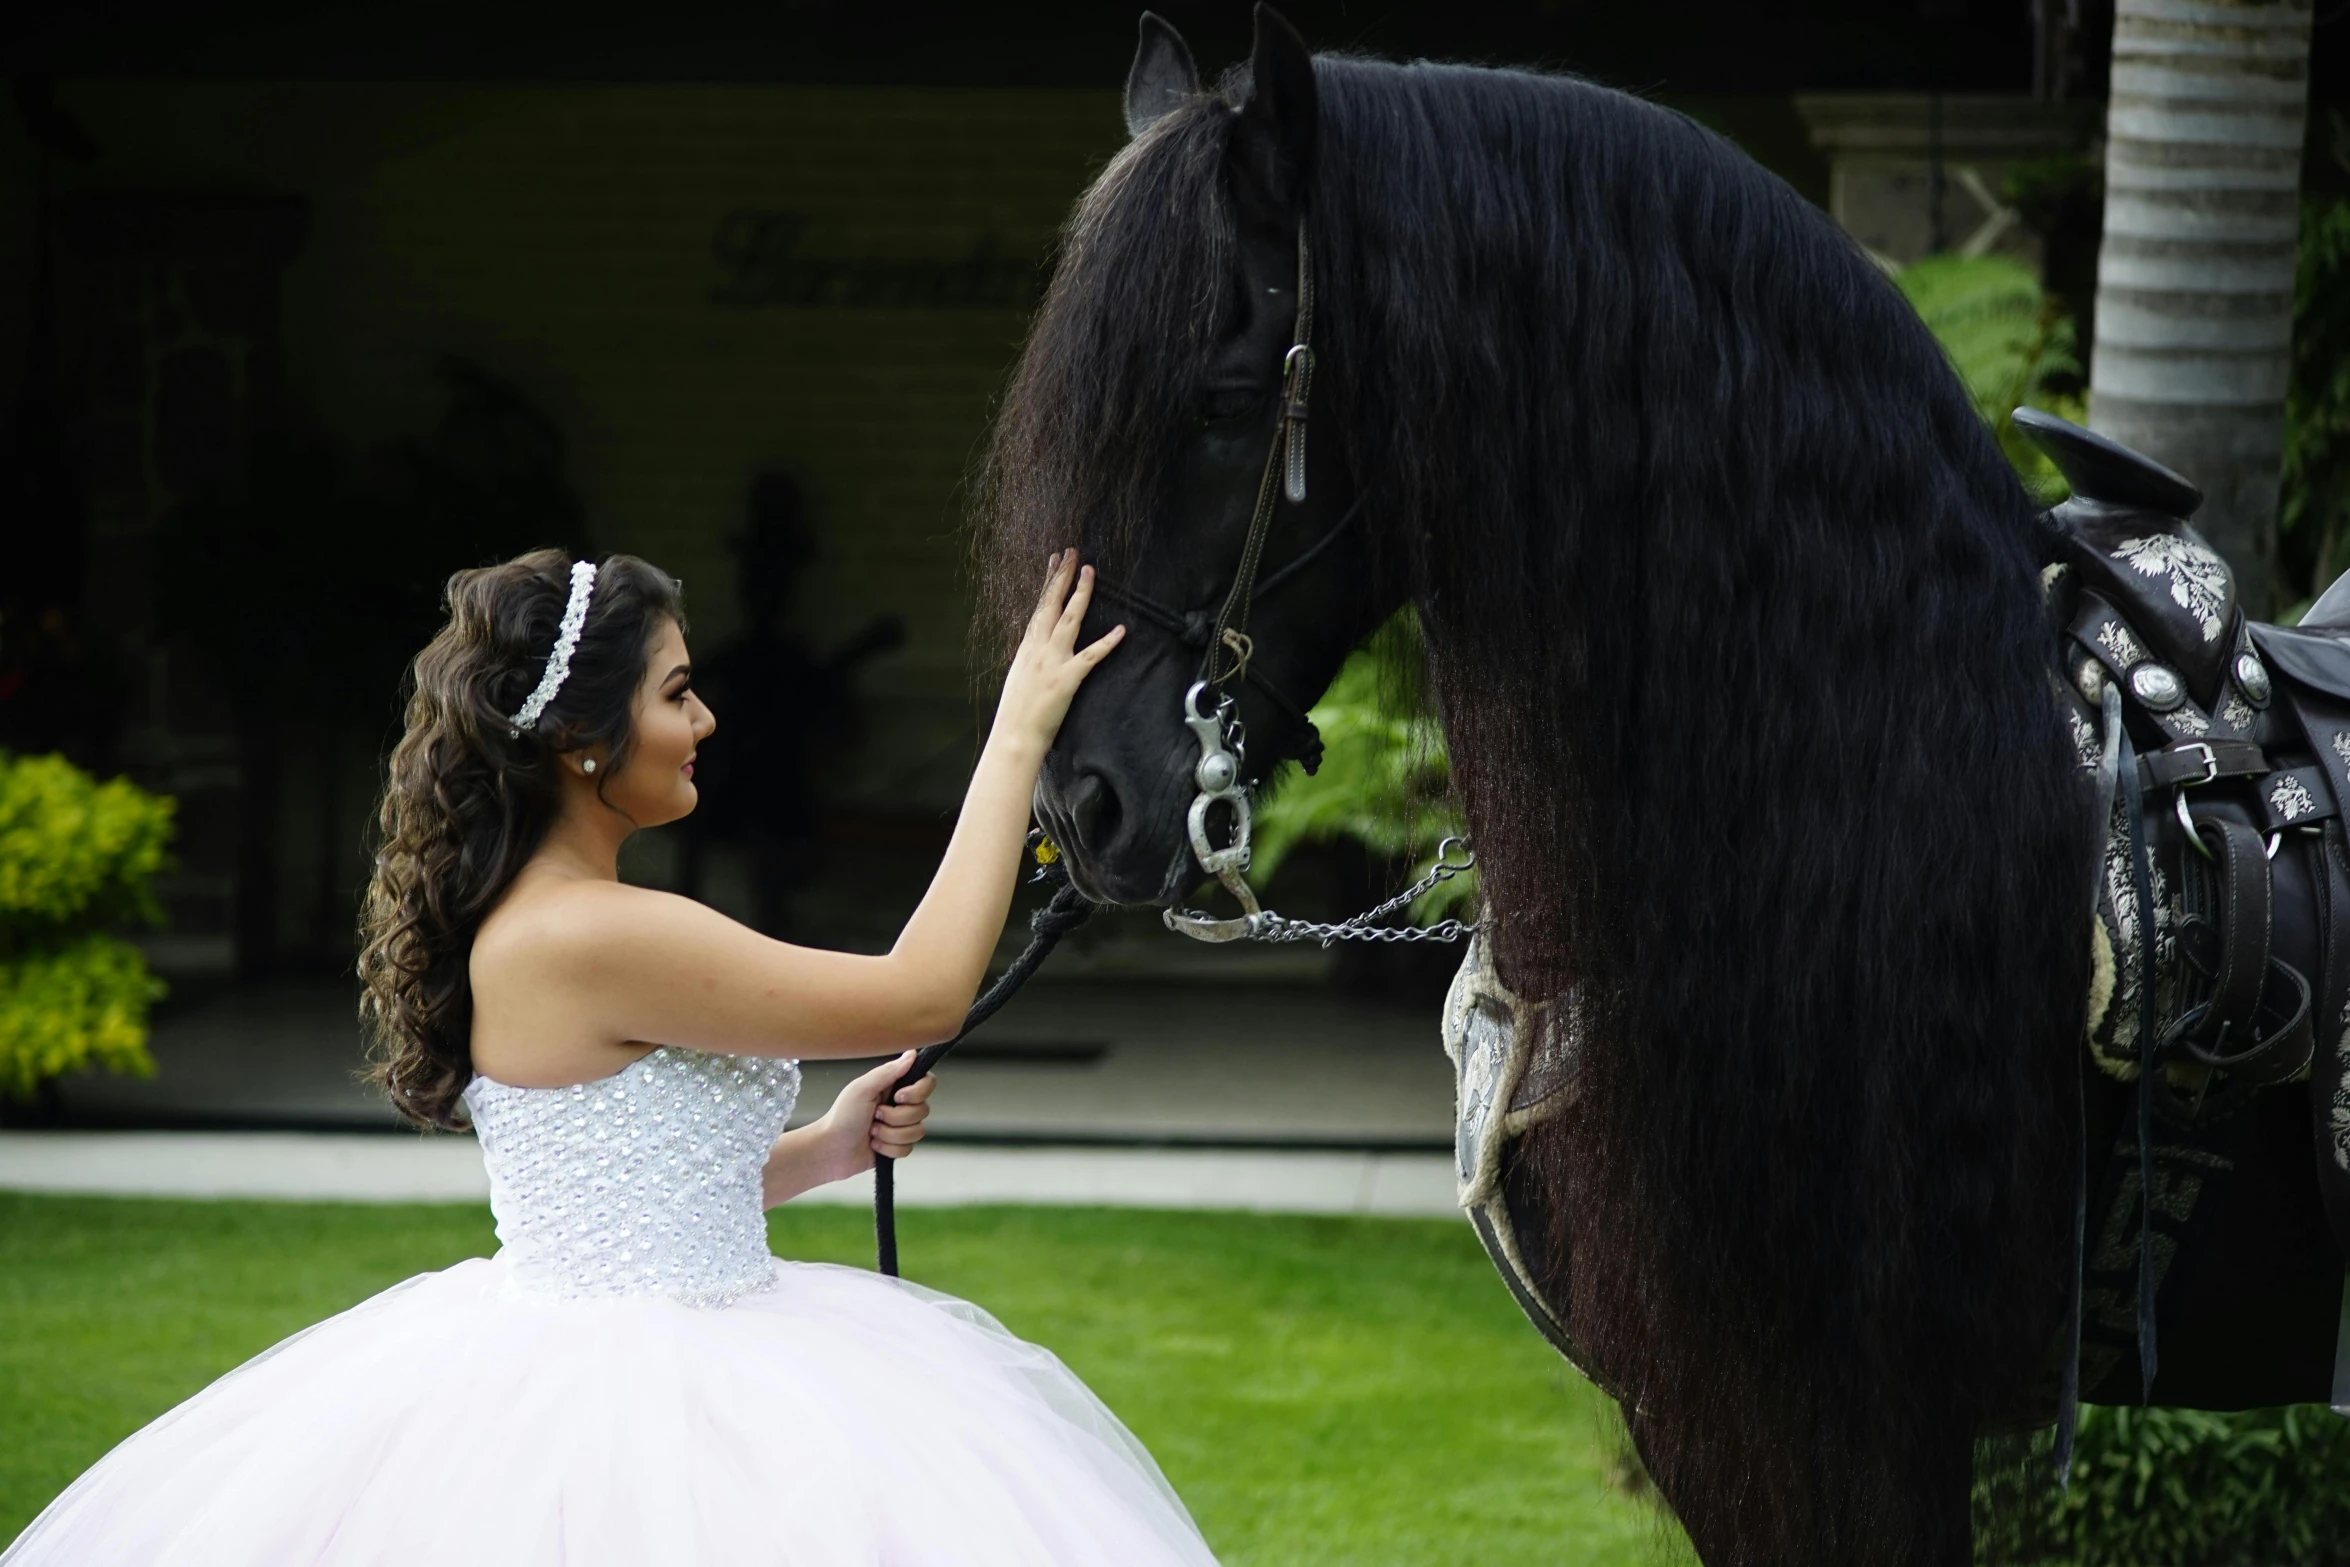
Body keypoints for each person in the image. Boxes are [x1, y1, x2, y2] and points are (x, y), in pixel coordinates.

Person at [0, 548, 1221, 1566]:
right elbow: (922, 991)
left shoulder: (552, 920)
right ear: (582, 738)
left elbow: (625, 1204)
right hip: (641, 1407)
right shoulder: (594, 933)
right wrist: (1016, 742)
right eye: (677, 693)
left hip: (656, 1318)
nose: (704, 721)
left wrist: (824, 1151)